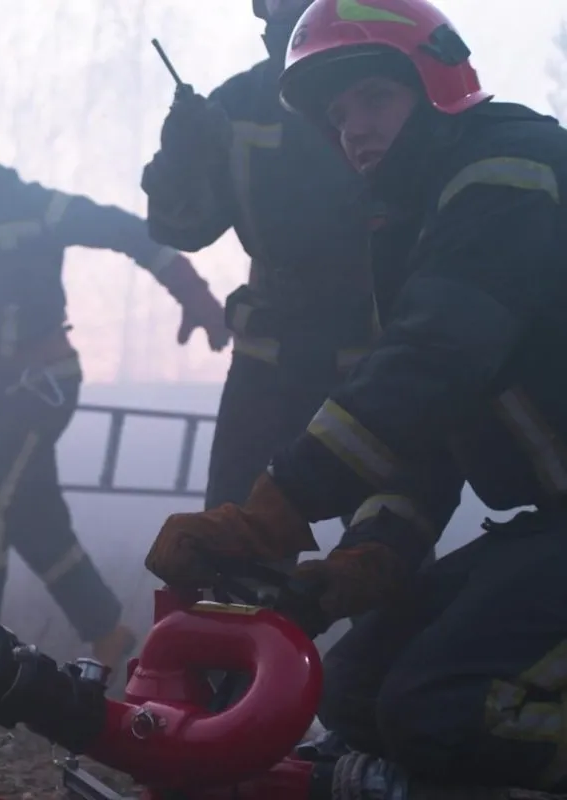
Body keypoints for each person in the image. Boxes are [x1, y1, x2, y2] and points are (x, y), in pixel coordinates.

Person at [143, 0, 567, 792]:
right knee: (355, 695)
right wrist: (368, 559)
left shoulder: (508, 170)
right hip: (551, 525)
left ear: (437, 84)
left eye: (374, 98)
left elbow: (433, 361)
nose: (354, 130)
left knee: (440, 711)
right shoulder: (415, 219)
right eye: (338, 116)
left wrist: (281, 505)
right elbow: (433, 434)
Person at [0, 89, 229, 671]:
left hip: (44, 386)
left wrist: (194, 295)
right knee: (33, 515)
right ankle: (110, 634)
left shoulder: (32, 206)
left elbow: (130, 232)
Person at [140, 0, 391, 565]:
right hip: (266, 366)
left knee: (382, 552)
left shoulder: (377, 92)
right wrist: (179, 161)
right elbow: (181, 229)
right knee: (229, 550)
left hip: (372, 365)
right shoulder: (236, 107)